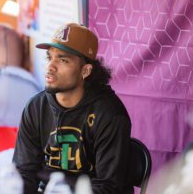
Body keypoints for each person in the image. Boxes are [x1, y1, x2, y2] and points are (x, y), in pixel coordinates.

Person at [13, 23, 133, 194]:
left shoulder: (109, 114)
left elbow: (108, 187)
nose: (50, 67)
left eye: (63, 60)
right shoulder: (36, 107)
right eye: (49, 57)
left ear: (85, 71)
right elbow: (24, 173)